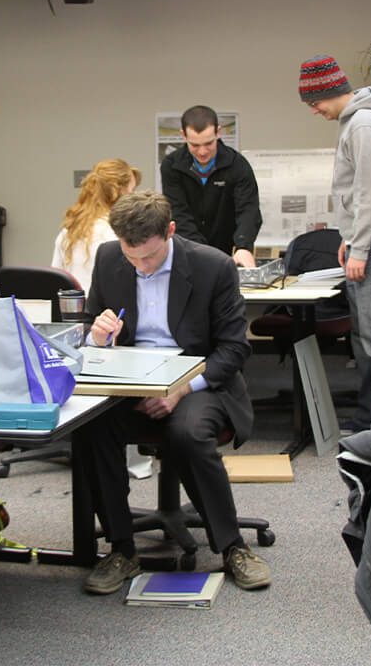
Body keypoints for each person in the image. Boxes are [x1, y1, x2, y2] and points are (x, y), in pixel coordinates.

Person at [72, 190, 271, 595]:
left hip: (199, 378)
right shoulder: (111, 257)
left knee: (188, 431)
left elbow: (234, 349)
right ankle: (122, 548)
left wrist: (179, 390)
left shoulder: (212, 266)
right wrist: (98, 336)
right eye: (133, 258)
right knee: (89, 426)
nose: (140, 268)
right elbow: (94, 326)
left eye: (149, 257)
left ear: (171, 232)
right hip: (131, 380)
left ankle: (232, 545)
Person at [299, 55, 371, 427]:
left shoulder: (364, 125)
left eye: (313, 102)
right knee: (368, 342)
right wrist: (350, 239)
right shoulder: (356, 123)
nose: (314, 111)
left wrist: (360, 246)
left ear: (329, 92)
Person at [51, 158, 151, 479]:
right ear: (120, 191)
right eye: (132, 192)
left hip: (69, 331)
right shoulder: (113, 235)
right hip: (104, 328)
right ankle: (135, 461)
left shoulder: (68, 229)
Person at [160, 105, 262, 268]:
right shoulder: (171, 166)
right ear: (183, 136)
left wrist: (243, 246)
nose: (202, 151)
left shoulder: (237, 165)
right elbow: (179, 213)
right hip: (189, 252)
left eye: (208, 143)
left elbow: (248, 210)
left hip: (227, 252)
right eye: (195, 145)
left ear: (218, 132)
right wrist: (203, 254)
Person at [51, 159, 141, 291]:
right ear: (120, 192)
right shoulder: (118, 235)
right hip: (106, 310)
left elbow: (56, 280)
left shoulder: (67, 233)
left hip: (72, 308)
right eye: (132, 191)